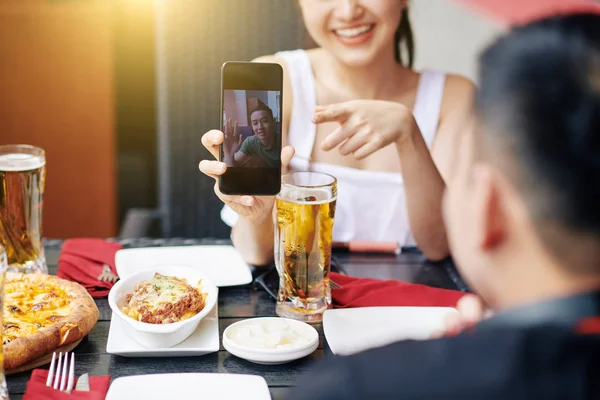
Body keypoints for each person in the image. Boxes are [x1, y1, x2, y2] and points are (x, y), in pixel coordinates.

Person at [289, 10, 600, 400]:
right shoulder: (284, 80)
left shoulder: (349, 388)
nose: (350, 8)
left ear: (486, 205)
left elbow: (436, 241)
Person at [199, 0, 475, 265]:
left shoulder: (453, 97)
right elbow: (256, 254)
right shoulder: (279, 78)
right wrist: (256, 216)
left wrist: (409, 135)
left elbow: (439, 246)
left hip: (410, 304)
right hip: (304, 302)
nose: (348, 11)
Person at [222, 104, 280, 168]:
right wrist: (228, 154)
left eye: (264, 121)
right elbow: (234, 164)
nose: (260, 127)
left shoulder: (283, 140)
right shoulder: (250, 142)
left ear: (273, 121)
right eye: (255, 123)